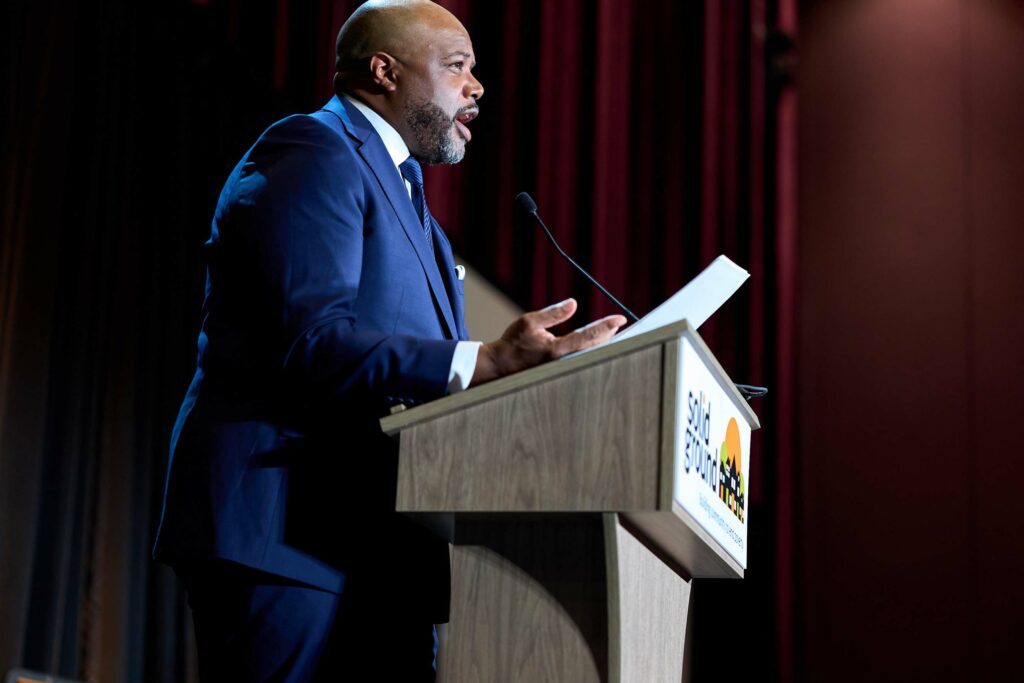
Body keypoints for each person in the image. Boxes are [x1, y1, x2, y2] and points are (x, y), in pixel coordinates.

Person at [153, 1, 626, 680]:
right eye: (458, 67)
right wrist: (485, 360)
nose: (478, 86)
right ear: (384, 70)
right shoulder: (313, 149)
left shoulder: (423, 218)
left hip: (386, 556)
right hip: (289, 534)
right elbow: (311, 340)